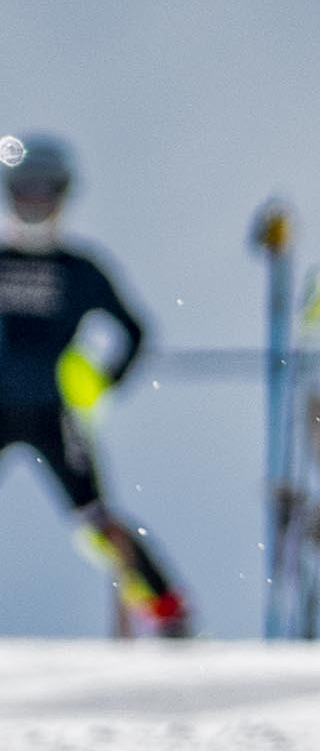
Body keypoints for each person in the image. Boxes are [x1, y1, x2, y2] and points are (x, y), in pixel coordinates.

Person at [0, 135, 191, 636]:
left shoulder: (80, 271)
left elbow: (135, 331)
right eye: (25, 189)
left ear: (64, 196)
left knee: (97, 520)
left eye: (46, 190)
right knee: (98, 519)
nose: (36, 200)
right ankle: (169, 611)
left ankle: (168, 612)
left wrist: (105, 383)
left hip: (52, 414)